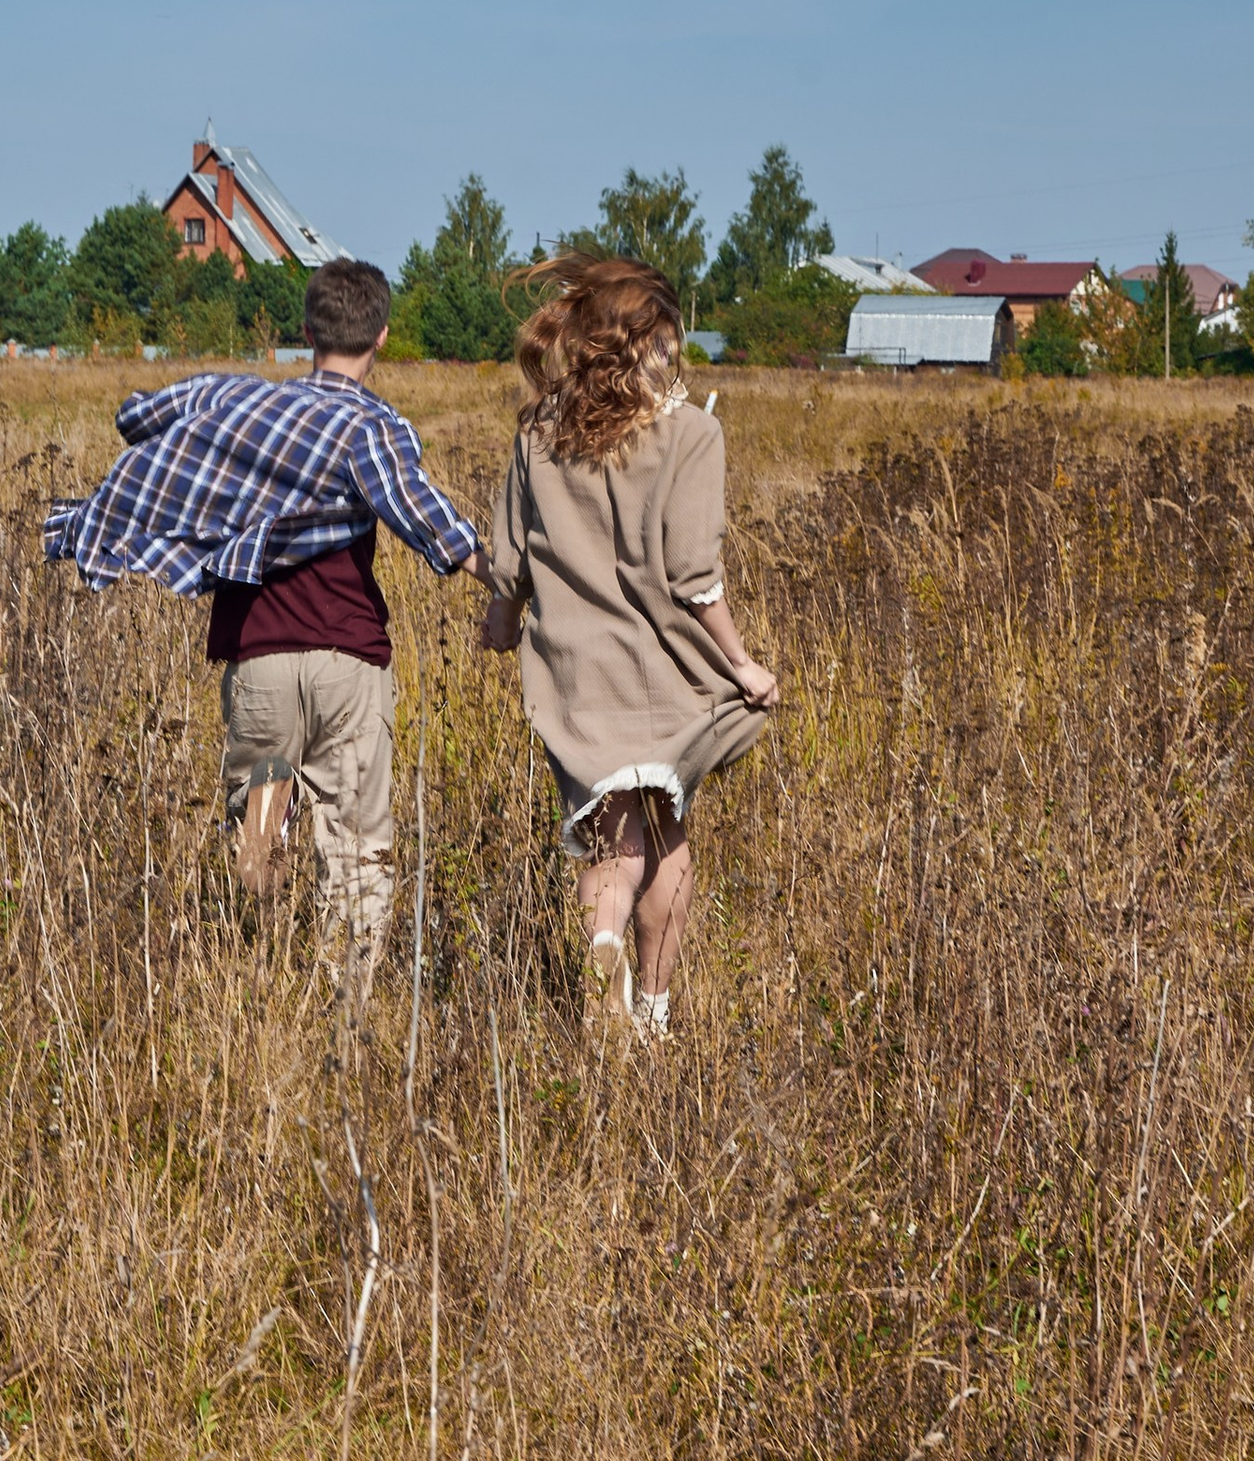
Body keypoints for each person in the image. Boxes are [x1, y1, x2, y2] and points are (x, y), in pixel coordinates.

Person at [45, 257, 483, 1006]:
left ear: (306, 331)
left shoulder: (239, 400)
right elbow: (431, 525)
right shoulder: (369, 425)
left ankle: (265, 937)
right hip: (348, 660)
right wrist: (515, 578)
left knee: (258, 837)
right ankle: (344, 1015)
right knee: (354, 845)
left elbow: (141, 414)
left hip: (261, 659)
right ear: (381, 334)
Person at [479, 255, 778, 1040]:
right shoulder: (691, 433)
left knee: (614, 840)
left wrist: (502, 619)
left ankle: (601, 950)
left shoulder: (538, 435)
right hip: (670, 674)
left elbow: (507, 557)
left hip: (576, 677)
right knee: (667, 833)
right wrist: (743, 664)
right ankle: (650, 1010)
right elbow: (694, 576)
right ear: (651, 344)